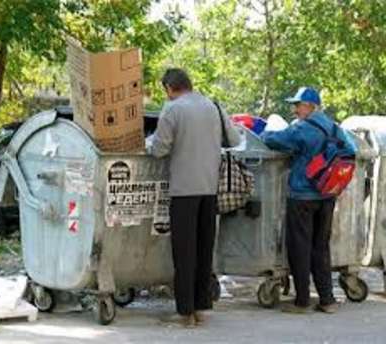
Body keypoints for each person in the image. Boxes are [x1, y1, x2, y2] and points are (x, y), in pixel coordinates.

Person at [149, 68, 240, 327]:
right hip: (209, 190)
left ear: (169, 87)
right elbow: (234, 139)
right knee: (203, 250)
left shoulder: (172, 109)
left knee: (184, 253)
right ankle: (202, 306)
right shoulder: (213, 105)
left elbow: (159, 149)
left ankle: (185, 312)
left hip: (183, 191)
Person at [260, 87, 356, 314]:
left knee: (299, 246)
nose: (294, 109)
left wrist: (265, 133)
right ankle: (327, 299)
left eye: (298, 105)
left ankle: (302, 301)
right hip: (327, 195)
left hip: (302, 196)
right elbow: (350, 150)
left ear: (311, 107)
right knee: (321, 247)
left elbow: (273, 140)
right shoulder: (334, 127)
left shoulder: (302, 129)